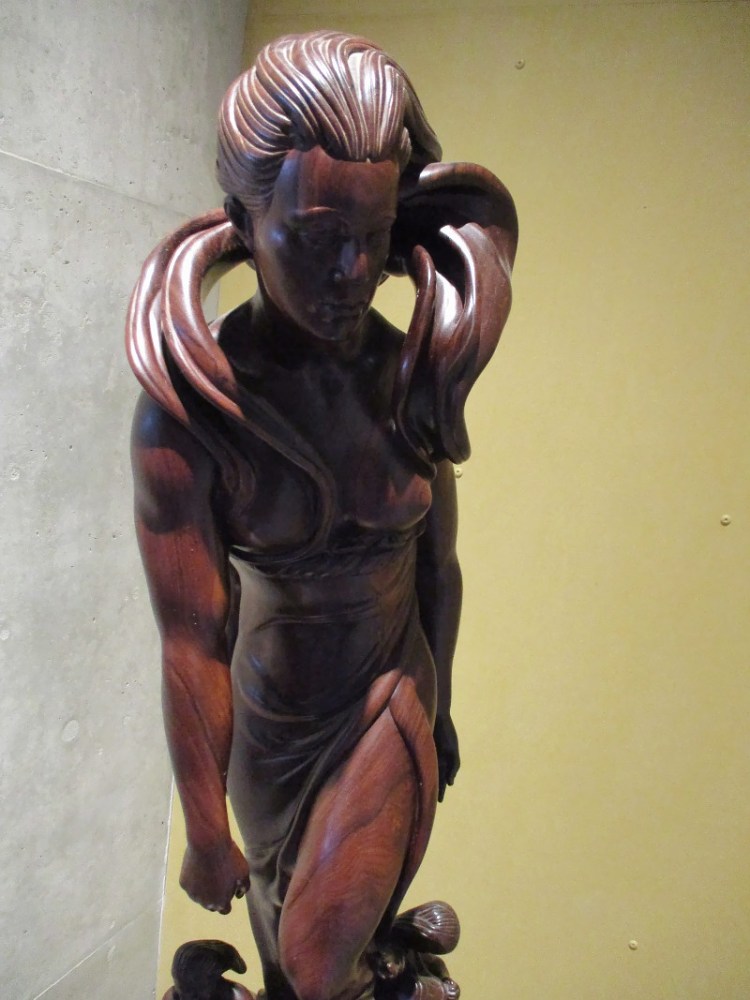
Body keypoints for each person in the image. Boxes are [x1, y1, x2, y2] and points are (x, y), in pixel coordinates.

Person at [127, 30, 517, 1000]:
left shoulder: (413, 374)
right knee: (287, 954)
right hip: (269, 735)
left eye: (372, 237)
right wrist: (206, 827)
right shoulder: (193, 411)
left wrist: (442, 707)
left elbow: (437, 567)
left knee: (315, 963)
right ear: (243, 220)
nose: (350, 270)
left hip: (390, 697)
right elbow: (191, 639)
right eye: (312, 237)